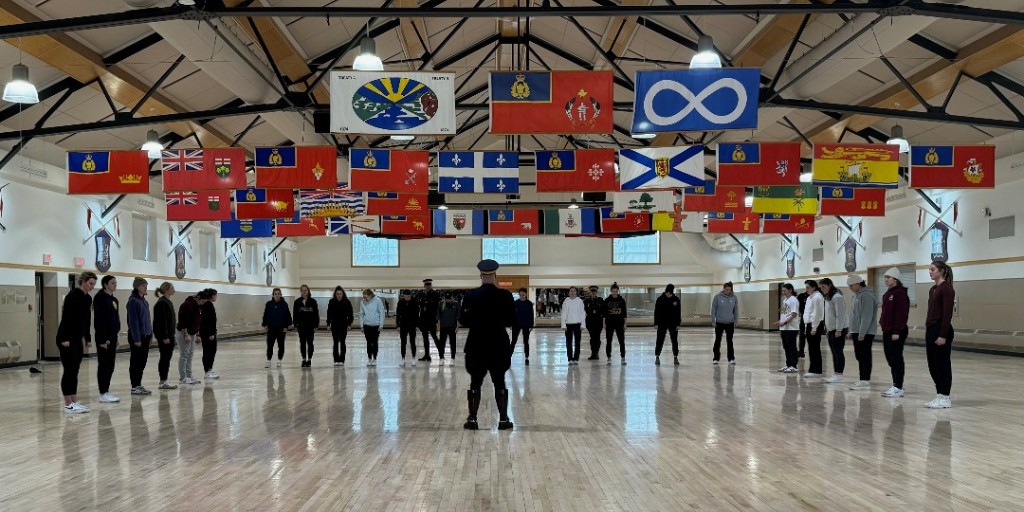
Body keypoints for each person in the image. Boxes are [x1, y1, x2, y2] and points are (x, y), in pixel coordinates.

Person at [460, 259, 515, 431]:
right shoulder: (505, 296)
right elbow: (510, 321)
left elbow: (463, 320)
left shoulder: (470, 296)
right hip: (498, 345)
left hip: (476, 345)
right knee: (500, 382)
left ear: (480, 276)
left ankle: (473, 419)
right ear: (495, 275)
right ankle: (504, 419)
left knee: (475, 382)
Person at [57, 272, 97, 413]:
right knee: (69, 370)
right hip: (66, 338)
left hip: (77, 338)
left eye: (94, 284)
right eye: (90, 283)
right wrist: (65, 338)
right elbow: (66, 317)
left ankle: (74, 401)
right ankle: (68, 404)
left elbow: (86, 320)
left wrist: (88, 338)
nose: (92, 287)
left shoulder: (88, 299)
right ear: (83, 281)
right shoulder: (72, 296)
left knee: (75, 370)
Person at [925, 261, 955, 409]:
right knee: (933, 365)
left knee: (942, 364)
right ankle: (939, 394)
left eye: (933, 269)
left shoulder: (947, 289)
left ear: (942, 271)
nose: (930, 272)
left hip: (941, 330)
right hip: (931, 329)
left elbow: (947, 314)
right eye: (929, 270)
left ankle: (945, 396)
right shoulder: (933, 289)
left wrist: (942, 335)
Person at [879, 268, 910, 398]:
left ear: (895, 279)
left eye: (888, 277)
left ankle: (899, 386)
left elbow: (902, 314)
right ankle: (895, 384)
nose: (886, 280)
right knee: (890, 358)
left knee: (896, 358)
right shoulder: (887, 294)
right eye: (885, 277)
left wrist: (897, 331)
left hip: (897, 331)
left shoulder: (900, 294)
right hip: (887, 330)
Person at [847, 274, 878, 390]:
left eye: (851, 285)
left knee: (865, 356)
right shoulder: (855, 296)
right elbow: (853, 315)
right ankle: (862, 379)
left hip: (866, 332)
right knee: (859, 355)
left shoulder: (867, 296)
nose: (850, 288)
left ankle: (865, 380)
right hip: (856, 331)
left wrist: (862, 332)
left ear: (858, 283)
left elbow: (867, 316)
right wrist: (852, 330)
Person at [93, 275, 121, 403]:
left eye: (116, 283)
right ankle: (103, 393)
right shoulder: (100, 299)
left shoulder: (114, 299)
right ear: (105, 284)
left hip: (112, 336)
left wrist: (116, 336)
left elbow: (115, 319)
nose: (115, 285)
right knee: (104, 365)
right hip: (104, 338)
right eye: (112, 283)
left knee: (110, 365)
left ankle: (107, 390)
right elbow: (99, 321)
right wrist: (102, 340)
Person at [126, 277, 153, 396]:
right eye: (143, 286)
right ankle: (134, 386)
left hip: (146, 336)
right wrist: (136, 339)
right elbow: (133, 322)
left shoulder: (145, 302)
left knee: (142, 362)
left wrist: (150, 334)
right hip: (137, 337)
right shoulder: (133, 301)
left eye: (146, 285)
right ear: (137, 287)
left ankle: (138, 384)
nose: (145, 287)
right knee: (136, 362)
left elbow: (147, 320)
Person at [820, 278, 849, 384]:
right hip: (832, 329)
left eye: (824, 286)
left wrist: (839, 329)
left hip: (839, 329)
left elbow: (840, 314)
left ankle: (839, 374)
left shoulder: (837, 297)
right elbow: (829, 315)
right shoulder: (828, 297)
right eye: (821, 287)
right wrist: (828, 329)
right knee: (834, 352)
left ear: (829, 285)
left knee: (838, 352)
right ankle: (836, 373)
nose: (822, 289)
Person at [177, 290, 207, 384]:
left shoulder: (197, 306)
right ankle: (183, 377)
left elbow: (197, 321)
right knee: (184, 355)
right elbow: (183, 321)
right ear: (198, 298)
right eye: (202, 301)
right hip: (184, 332)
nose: (202, 303)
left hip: (192, 332)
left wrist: (198, 334)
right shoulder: (187, 305)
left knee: (190, 354)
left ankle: (189, 375)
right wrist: (186, 334)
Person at [153, 282, 178, 390]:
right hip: (165, 337)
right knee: (164, 358)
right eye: (172, 288)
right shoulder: (162, 303)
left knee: (166, 358)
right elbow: (161, 322)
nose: (174, 289)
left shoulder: (168, 302)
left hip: (170, 335)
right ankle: (163, 381)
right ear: (166, 289)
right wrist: (165, 337)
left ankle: (165, 380)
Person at [262, 288, 292, 368]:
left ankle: (279, 360)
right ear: (273, 295)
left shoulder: (284, 304)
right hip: (271, 328)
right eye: (275, 294)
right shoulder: (269, 304)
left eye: (279, 294)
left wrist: (286, 326)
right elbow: (265, 315)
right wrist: (265, 324)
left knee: (281, 345)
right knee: (270, 345)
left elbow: (287, 316)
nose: (277, 295)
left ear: (281, 295)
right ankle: (268, 360)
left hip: (281, 329)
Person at [710, 281, 738, 365]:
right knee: (717, 340)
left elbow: (736, 310)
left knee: (730, 341)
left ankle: (731, 358)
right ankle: (716, 358)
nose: (728, 291)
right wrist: (713, 320)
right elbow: (713, 309)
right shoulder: (717, 297)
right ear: (723, 289)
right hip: (719, 322)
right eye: (726, 289)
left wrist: (736, 320)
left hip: (730, 322)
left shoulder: (734, 298)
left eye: (729, 289)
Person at [802, 280, 825, 377]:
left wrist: (814, 328)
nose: (806, 289)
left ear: (814, 287)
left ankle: (817, 370)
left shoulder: (817, 297)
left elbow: (817, 314)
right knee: (811, 348)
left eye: (808, 287)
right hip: (809, 324)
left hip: (814, 324)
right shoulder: (810, 297)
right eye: (806, 287)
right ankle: (813, 369)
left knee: (815, 348)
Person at [293, 284, 320, 368]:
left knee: (310, 343)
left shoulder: (313, 302)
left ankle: (309, 359)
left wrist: (316, 325)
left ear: (308, 291)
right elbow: (295, 314)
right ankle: (304, 359)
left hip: (310, 326)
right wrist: (295, 324)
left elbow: (316, 314)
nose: (304, 292)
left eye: (305, 290)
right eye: (302, 290)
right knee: (302, 343)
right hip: (301, 326)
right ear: (300, 291)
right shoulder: (297, 302)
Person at [326, 286, 354, 366]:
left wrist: (349, 324)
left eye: (340, 294)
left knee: (342, 342)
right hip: (334, 325)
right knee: (335, 342)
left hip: (343, 325)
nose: (339, 295)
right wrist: (328, 324)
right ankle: (336, 359)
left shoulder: (347, 302)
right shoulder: (331, 302)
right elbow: (329, 314)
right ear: (335, 294)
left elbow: (350, 314)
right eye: (337, 294)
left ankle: (342, 359)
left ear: (343, 294)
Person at [654, 284, 681, 366]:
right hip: (662, 323)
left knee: (674, 340)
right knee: (660, 339)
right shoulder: (660, 299)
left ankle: (675, 356)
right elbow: (656, 312)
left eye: (670, 293)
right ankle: (657, 356)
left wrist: (678, 323)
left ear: (672, 293)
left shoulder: (676, 299)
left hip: (673, 323)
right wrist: (656, 323)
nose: (668, 295)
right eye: (667, 293)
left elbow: (678, 312)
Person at [776, 283, 800, 373]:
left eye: (785, 290)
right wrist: (780, 321)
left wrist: (785, 322)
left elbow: (794, 314)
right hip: (784, 328)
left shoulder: (794, 300)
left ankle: (794, 365)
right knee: (786, 347)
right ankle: (788, 364)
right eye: (782, 291)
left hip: (792, 328)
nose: (783, 292)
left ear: (790, 290)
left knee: (792, 347)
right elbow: (783, 312)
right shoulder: (785, 300)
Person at [417, 279, 441, 362]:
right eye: (426, 285)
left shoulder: (435, 294)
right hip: (424, 319)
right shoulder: (421, 294)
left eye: (429, 285)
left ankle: (441, 354)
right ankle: (427, 355)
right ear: (424, 286)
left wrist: (427, 303)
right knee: (425, 338)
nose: (428, 286)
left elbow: (436, 304)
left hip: (431, 319)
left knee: (434, 337)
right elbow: (419, 305)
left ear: (431, 285)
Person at [560, 286, 585, 365]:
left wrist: (583, 324)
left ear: (576, 292)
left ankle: (576, 358)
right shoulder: (566, 301)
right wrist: (563, 325)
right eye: (571, 291)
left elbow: (582, 313)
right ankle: (570, 358)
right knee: (569, 343)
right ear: (569, 292)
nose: (572, 292)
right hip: (568, 325)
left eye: (574, 291)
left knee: (577, 342)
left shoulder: (580, 301)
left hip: (578, 324)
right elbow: (563, 313)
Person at [604, 283, 627, 365]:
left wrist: (625, 323)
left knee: (621, 341)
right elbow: (605, 314)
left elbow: (624, 313)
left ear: (618, 291)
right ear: (611, 291)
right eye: (613, 291)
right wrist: (604, 323)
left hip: (619, 323)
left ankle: (623, 357)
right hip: (609, 323)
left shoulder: (622, 300)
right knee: (609, 341)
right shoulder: (607, 300)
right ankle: (609, 357)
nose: (614, 293)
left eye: (616, 291)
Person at [360, 289, 384, 366]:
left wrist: (381, 325)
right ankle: (369, 358)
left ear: (370, 295)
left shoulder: (378, 301)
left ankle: (375, 358)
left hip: (376, 325)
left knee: (375, 342)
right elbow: (361, 314)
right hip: (366, 325)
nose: (364, 298)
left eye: (365, 296)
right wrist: (361, 325)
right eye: (363, 297)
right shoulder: (362, 302)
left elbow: (382, 313)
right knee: (368, 342)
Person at [200, 288, 220, 380]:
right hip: (208, 334)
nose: (216, 297)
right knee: (209, 351)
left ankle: (209, 369)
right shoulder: (208, 305)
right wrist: (211, 333)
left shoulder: (208, 305)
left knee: (211, 351)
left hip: (209, 333)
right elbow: (208, 321)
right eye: (216, 295)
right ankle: (207, 371)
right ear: (213, 296)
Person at [395, 289, 419, 366]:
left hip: (412, 325)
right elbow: (398, 314)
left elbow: (417, 315)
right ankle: (403, 359)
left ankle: (413, 358)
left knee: (412, 342)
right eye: (405, 296)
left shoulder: (414, 302)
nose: (407, 297)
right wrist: (398, 325)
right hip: (403, 325)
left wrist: (416, 325)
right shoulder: (400, 303)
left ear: (410, 295)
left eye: (408, 296)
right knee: (403, 343)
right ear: (403, 296)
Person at [438, 292, 460, 364]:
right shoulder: (441, 304)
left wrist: (457, 326)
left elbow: (458, 316)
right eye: (446, 299)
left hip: (452, 326)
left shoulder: (456, 304)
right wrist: (438, 329)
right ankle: (441, 358)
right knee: (442, 343)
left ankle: (452, 358)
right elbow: (438, 317)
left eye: (449, 299)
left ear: (452, 298)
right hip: (443, 326)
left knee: (452, 343)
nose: (448, 300)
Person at [584, 285, 605, 360]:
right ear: (590, 292)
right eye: (592, 291)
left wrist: (604, 322)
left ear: (596, 292)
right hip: (590, 322)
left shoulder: (600, 300)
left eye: (594, 291)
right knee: (592, 337)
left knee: (597, 337)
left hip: (598, 321)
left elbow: (604, 311)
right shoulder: (586, 301)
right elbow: (584, 311)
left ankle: (596, 353)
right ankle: (593, 353)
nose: (593, 293)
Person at [796, 289, 809, 357]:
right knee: (801, 335)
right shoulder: (800, 296)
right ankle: (801, 351)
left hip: (808, 318)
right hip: (802, 317)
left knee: (806, 335)